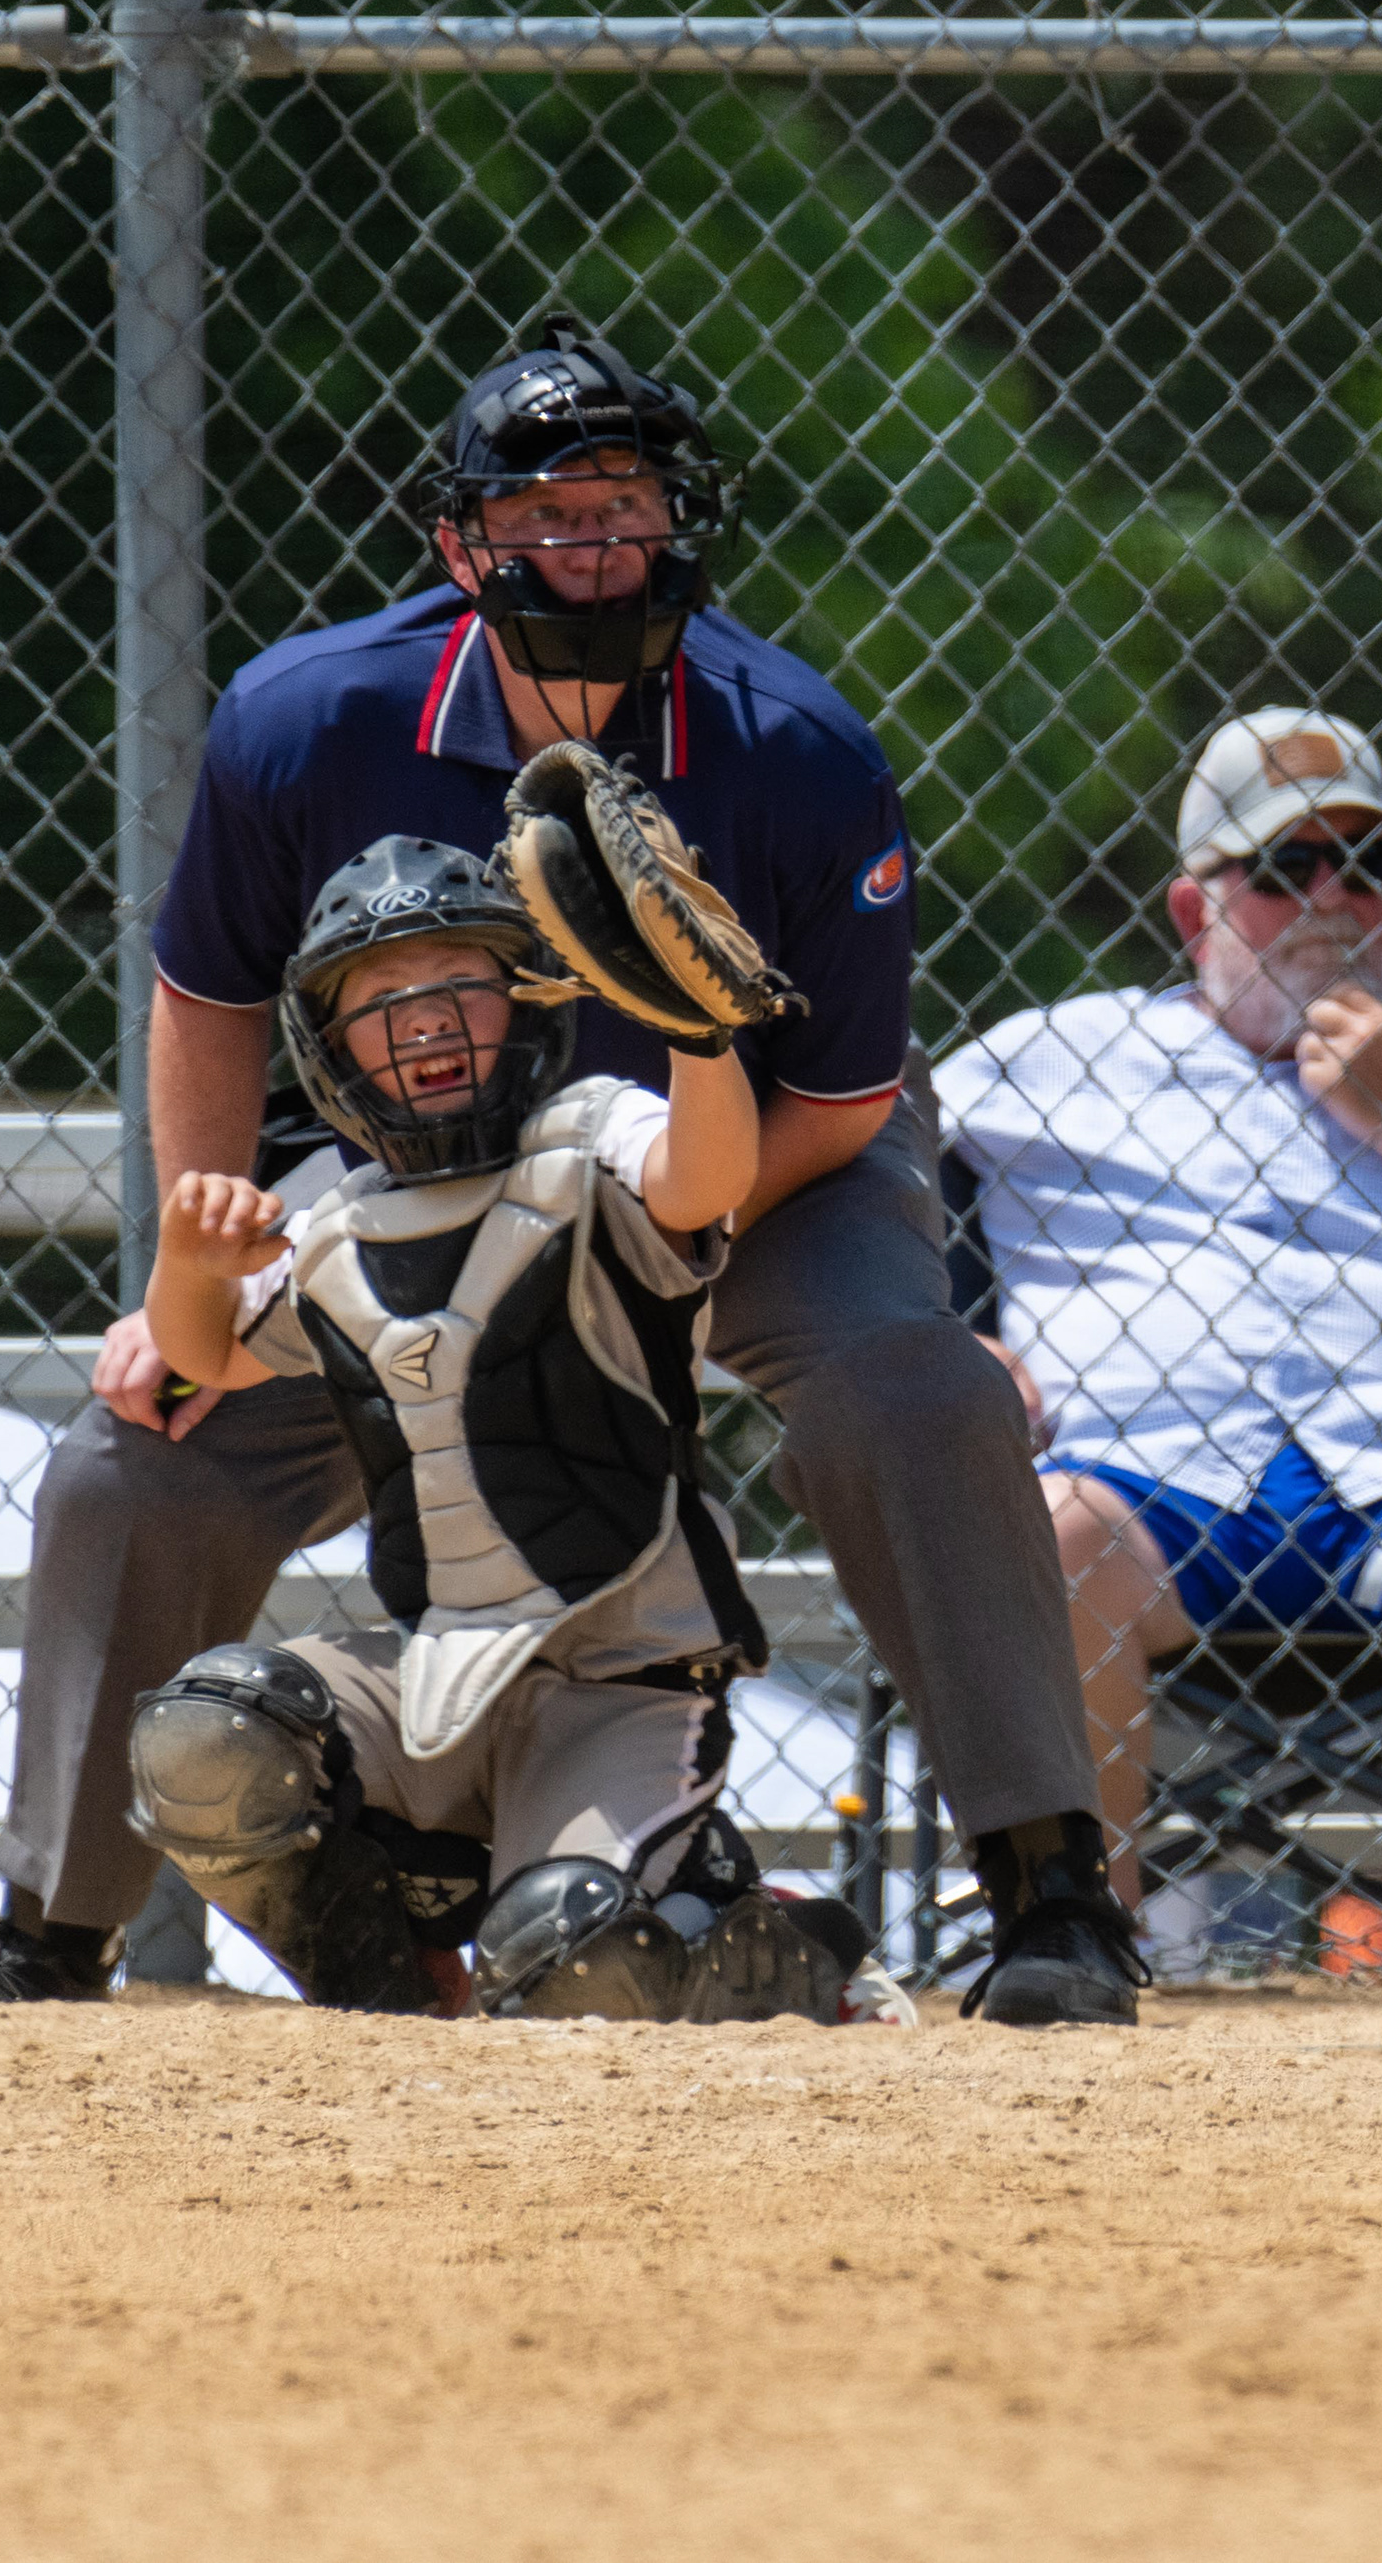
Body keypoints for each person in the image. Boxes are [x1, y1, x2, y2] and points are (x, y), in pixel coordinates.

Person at [0, 316, 1136, 2026]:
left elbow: (847, 1092)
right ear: (459, 540)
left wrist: (613, 1259)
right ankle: (52, 1931)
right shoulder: (312, 717)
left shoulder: (798, 746)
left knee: (917, 1386)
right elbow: (209, 997)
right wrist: (198, 1264)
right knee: (134, 1458)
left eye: (624, 505)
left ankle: (1051, 1892)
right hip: (418, 1174)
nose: (592, 545)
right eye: (545, 512)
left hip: (754, 1153)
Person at [936, 708, 1382, 1987]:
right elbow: (861, 1197)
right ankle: (1082, 1948)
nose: (1333, 898)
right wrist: (948, 1346)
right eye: (1284, 868)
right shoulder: (1046, 1060)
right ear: (1195, 908)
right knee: (1036, 1534)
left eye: (1366, 864)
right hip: (1134, 1483)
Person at [128, 834, 872, 2020]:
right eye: (378, 994)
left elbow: (704, 1182)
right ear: (327, 1045)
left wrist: (699, 1038)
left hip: (623, 1681)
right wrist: (185, 1261)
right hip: (443, 1679)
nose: (422, 1017)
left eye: (458, 981)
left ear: (529, 1001)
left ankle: (775, 1948)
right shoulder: (337, 1227)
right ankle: (394, 1992)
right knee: (205, 1736)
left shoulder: (592, 1136)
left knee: (572, 1959)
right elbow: (204, 1354)